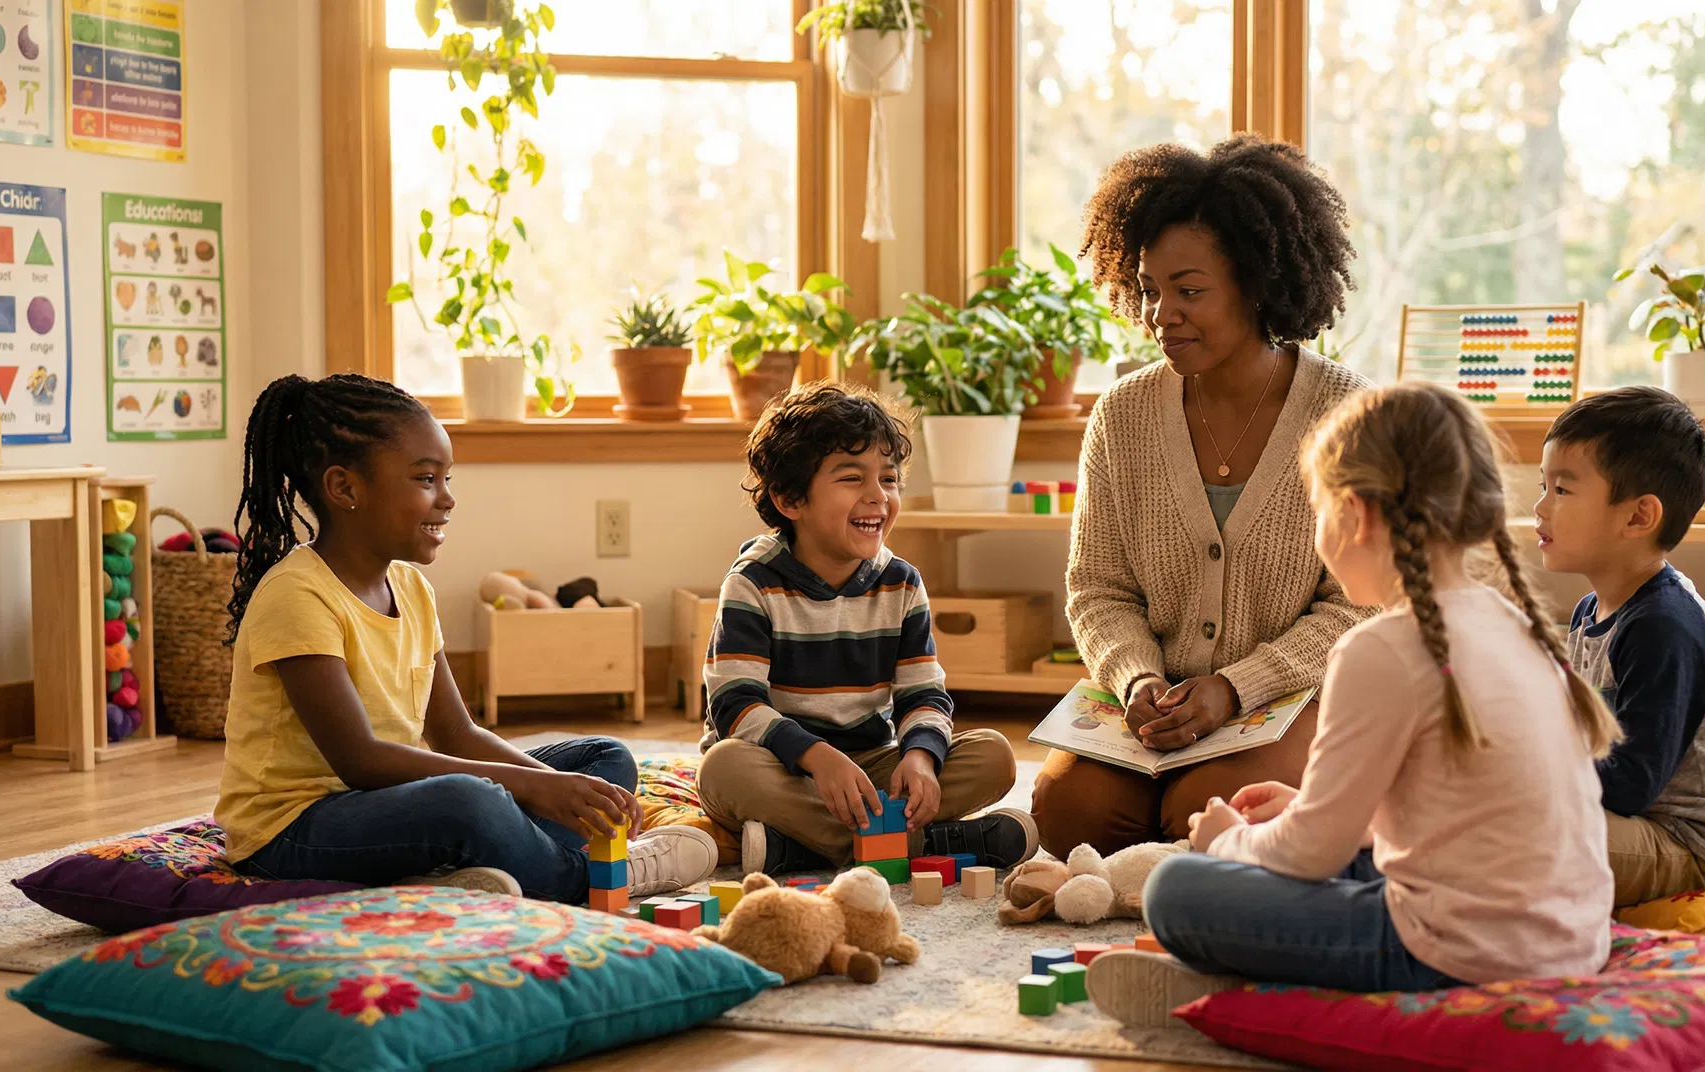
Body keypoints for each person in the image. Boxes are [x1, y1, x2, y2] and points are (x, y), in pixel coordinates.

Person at [1086, 383, 1621, 1026]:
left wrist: (1230, 843)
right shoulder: (1513, 621)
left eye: (1318, 510)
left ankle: (1244, 995)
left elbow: (1308, 856)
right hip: (1571, 940)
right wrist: (1310, 816)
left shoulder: (1381, 648)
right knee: (1345, 857)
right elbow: (1451, 816)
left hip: (1452, 953)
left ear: (1358, 515)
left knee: (1175, 890)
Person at [218, 373, 716, 902]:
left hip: (391, 806)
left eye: (446, 478)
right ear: (345, 489)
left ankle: (476, 872)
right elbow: (359, 760)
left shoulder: (410, 586)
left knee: (603, 760)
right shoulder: (297, 594)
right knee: (471, 801)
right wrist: (527, 787)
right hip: (294, 830)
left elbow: (457, 734)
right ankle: (587, 877)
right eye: (426, 479)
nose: (448, 499)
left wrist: (557, 785)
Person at [1039, 132, 1372, 857]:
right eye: (1152, 291)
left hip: (1288, 697)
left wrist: (1236, 686)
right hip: (1150, 710)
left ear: (1256, 285)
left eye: (1190, 291)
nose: (1163, 314)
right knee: (1068, 810)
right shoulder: (1122, 415)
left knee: (1209, 812)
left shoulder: (1347, 414)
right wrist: (1135, 679)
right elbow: (1097, 589)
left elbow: (1363, 604)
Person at [694, 382, 1033, 875]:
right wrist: (815, 757)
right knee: (723, 768)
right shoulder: (753, 582)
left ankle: (804, 848)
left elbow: (925, 697)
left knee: (995, 755)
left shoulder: (901, 583)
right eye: (852, 478)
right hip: (785, 768)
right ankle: (925, 843)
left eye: (890, 479)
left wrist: (919, 759)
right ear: (790, 500)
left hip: (872, 766)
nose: (879, 496)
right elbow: (735, 705)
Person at [1536, 386, 1705, 907]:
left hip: (1694, 847)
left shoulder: (1663, 626)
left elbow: (1628, 785)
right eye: (1543, 485)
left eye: (1562, 490)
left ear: (1639, 517)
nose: (1540, 506)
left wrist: (1529, 768)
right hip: (1637, 823)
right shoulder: (1592, 611)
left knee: (1508, 828)